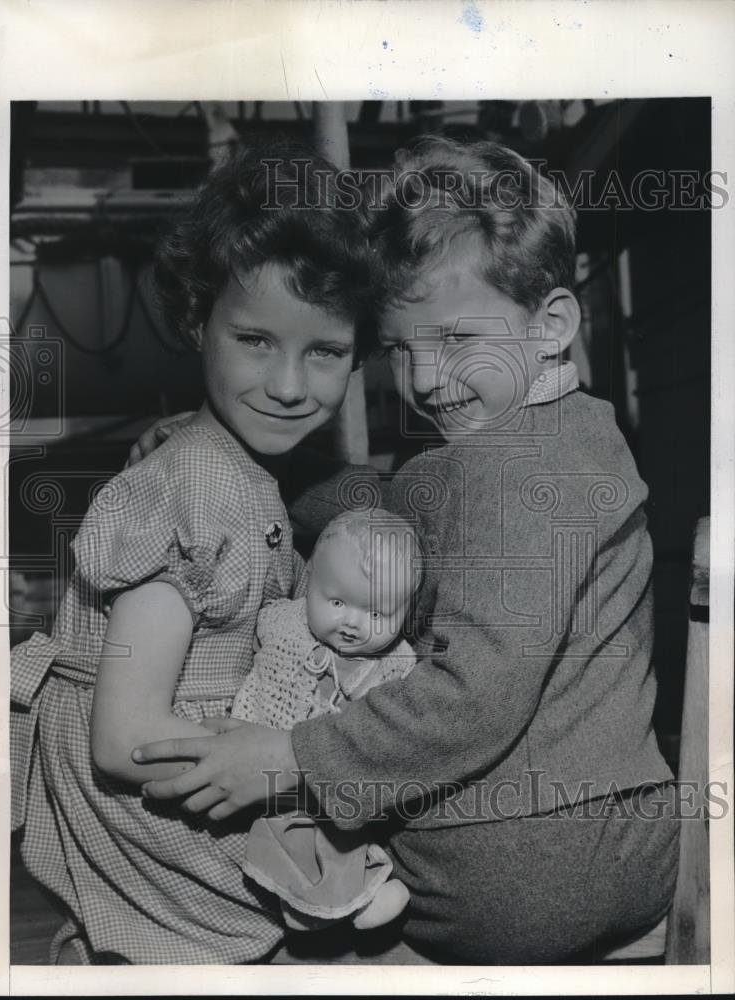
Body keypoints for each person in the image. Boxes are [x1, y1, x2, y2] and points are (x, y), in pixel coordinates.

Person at [132, 136, 680, 965]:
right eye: (398, 349)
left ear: (553, 326)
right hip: (620, 850)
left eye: (457, 340)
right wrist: (260, 458)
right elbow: (394, 502)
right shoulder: (570, 440)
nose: (424, 380)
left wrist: (287, 760)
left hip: (512, 877)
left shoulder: (522, 474)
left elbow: (472, 698)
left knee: (206, 848)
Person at [9, 138, 380, 965]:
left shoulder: (237, 470)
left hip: (181, 815)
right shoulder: (190, 492)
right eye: (255, 340)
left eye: (324, 352)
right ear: (194, 321)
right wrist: (295, 769)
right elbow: (123, 736)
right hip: (156, 851)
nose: (289, 385)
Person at [235, 509, 419, 931]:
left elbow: (390, 723)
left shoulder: (392, 663)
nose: (353, 623)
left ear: (405, 611)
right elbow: (253, 622)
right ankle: (310, 903)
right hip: (263, 750)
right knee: (279, 829)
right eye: (336, 602)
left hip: (331, 776)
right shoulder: (285, 620)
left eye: (378, 615)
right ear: (311, 584)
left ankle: (350, 897)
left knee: (342, 831)